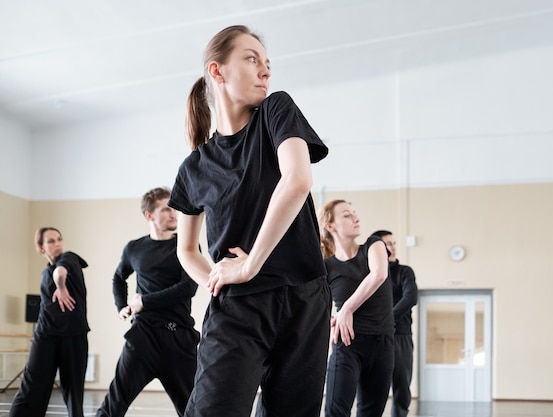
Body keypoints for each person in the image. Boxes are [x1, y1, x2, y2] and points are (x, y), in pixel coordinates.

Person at [167, 25, 331, 417]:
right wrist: (218, 278)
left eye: (268, 63)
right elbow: (186, 249)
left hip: (304, 298)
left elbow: (298, 180)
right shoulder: (194, 168)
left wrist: (249, 263)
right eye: (252, 59)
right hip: (237, 308)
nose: (265, 71)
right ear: (217, 71)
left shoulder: (277, 110)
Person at [95, 187, 200, 417]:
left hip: (178, 338)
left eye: (174, 209)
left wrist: (145, 302)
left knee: (193, 409)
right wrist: (121, 306)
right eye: (166, 209)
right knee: (114, 404)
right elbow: (118, 277)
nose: (174, 214)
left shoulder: (186, 245)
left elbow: (188, 287)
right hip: (143, 336)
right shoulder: (134, 248)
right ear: (149, 215)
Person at [319, 200, 395, 417]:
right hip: (347, 344)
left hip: (382, 344)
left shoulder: (374, 245)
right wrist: (334, 318)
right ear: (330, 226)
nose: (356, 218)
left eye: (355, 213)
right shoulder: (327, 266)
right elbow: (315, 301)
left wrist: (346, 309)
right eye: (346, 215)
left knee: (370, 412)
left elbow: (379, 274)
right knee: (335, 411)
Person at [10, 227, 89, 417]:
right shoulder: (45, 272)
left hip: (73, 335)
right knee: (32, 386)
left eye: (59, 239)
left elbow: (60, 273)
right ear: (40, 247)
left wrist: (61, 286)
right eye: (51, 241)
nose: (57, 244)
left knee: (73, 393)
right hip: (45, 334)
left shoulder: (69, 258)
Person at [371, 230, 418, 417]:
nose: (393, 247)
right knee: (371, 385)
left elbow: (411, 297)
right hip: (374, 335)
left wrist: (387, 319)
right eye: (388, 244)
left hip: (400, 336)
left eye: (394, 243)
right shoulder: (369, 273)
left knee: (401, 385)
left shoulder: (404, 272)